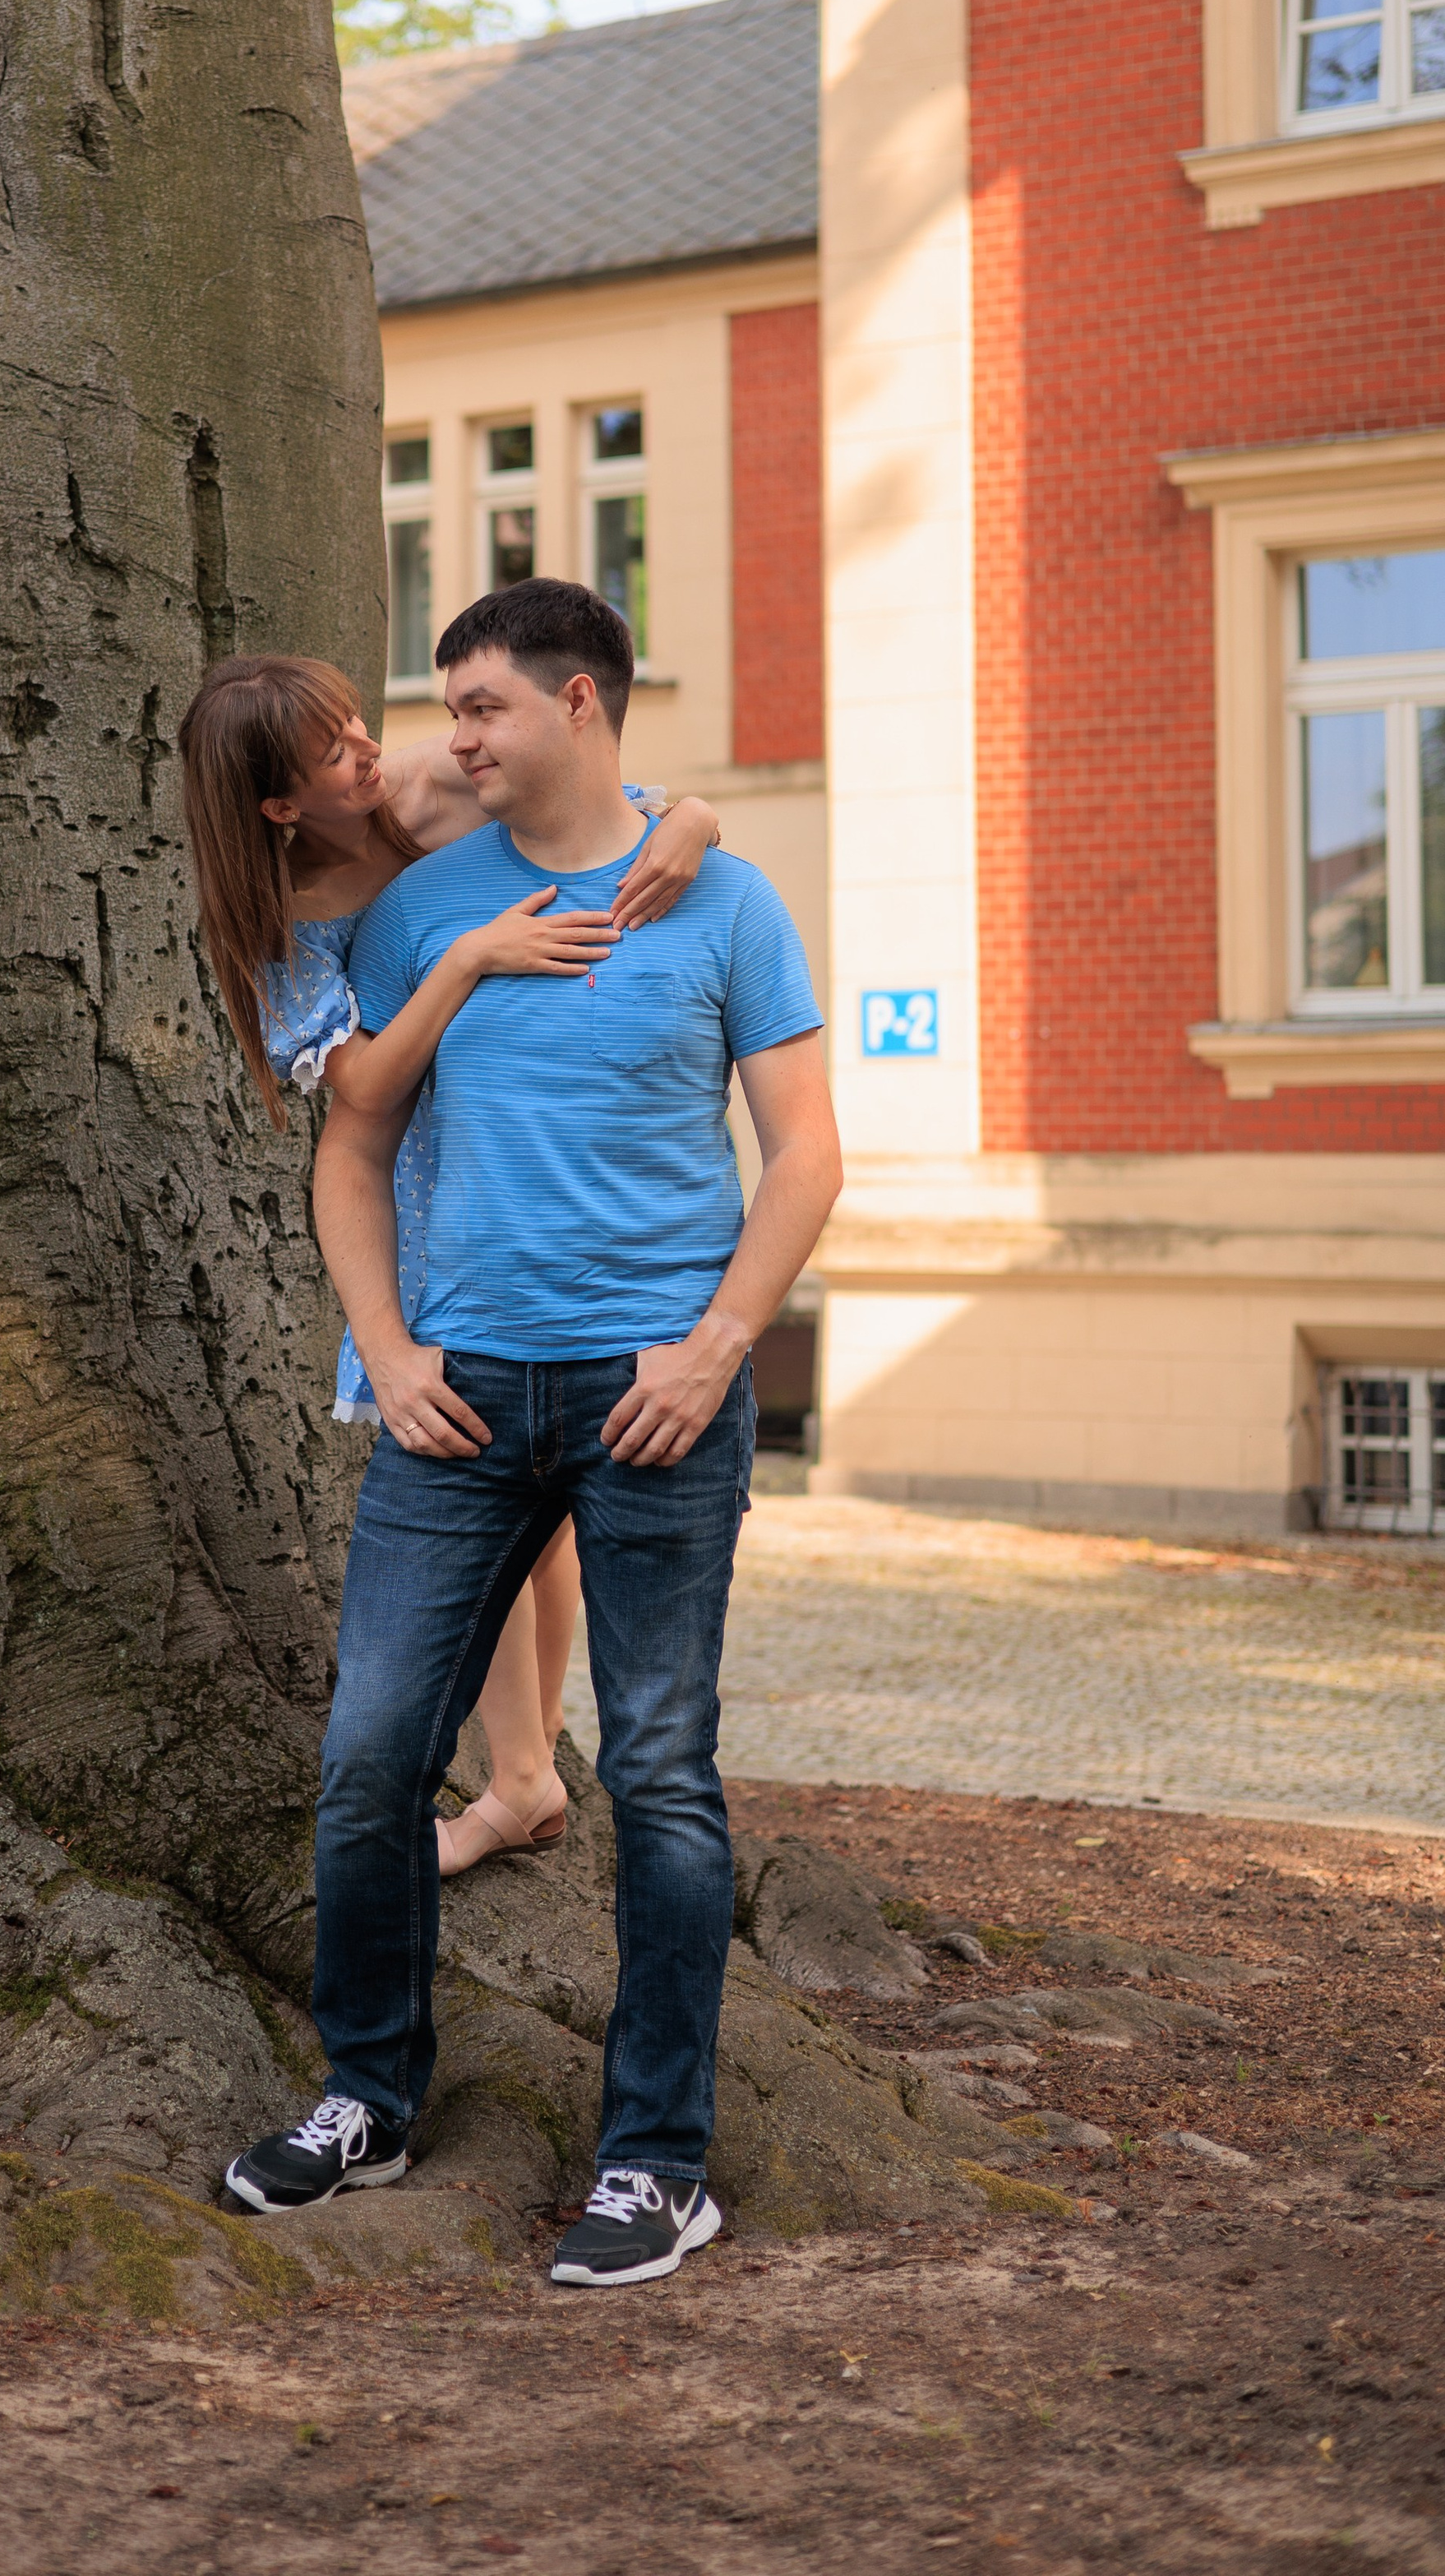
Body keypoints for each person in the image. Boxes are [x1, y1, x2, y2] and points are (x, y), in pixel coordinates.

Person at [220, 580, 842, 2290]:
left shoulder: (722, 903)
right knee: (362, 1763)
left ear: (579, 701)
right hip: (461, 1399)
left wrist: (722, 1349)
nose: (449, 741)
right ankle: (368, 2096)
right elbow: (347, 1150)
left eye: (480, 707)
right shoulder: (424, 912)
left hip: (658, 1401)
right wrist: (386, 1351)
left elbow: (801, 1154)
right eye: (445, 710)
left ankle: (654, 2164)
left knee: (657, 1776)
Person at [178, 654, 723, 1874]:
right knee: (495, 1476)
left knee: (554, 1527)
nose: (373, 753)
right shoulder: (277, 909)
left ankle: (526, 1771)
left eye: (359, 727)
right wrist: (465, 960)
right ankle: (520, 1772)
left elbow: (605, 806)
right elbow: (361, 1086)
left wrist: (692, 818)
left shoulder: (424, 790)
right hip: (425, 1186)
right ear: (278, 806)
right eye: (335, 753)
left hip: (519, 1143)